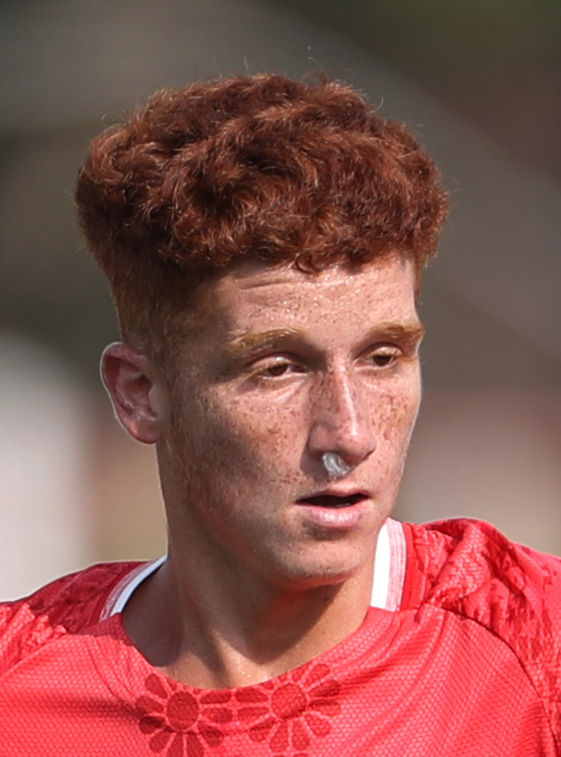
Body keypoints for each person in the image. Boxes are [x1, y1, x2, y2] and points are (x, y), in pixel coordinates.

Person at [0, 73, 559, 756]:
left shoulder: (536, 650)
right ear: (140, 393)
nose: (348, 434)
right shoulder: (17, 693)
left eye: (382, 357)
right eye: (279, 368)